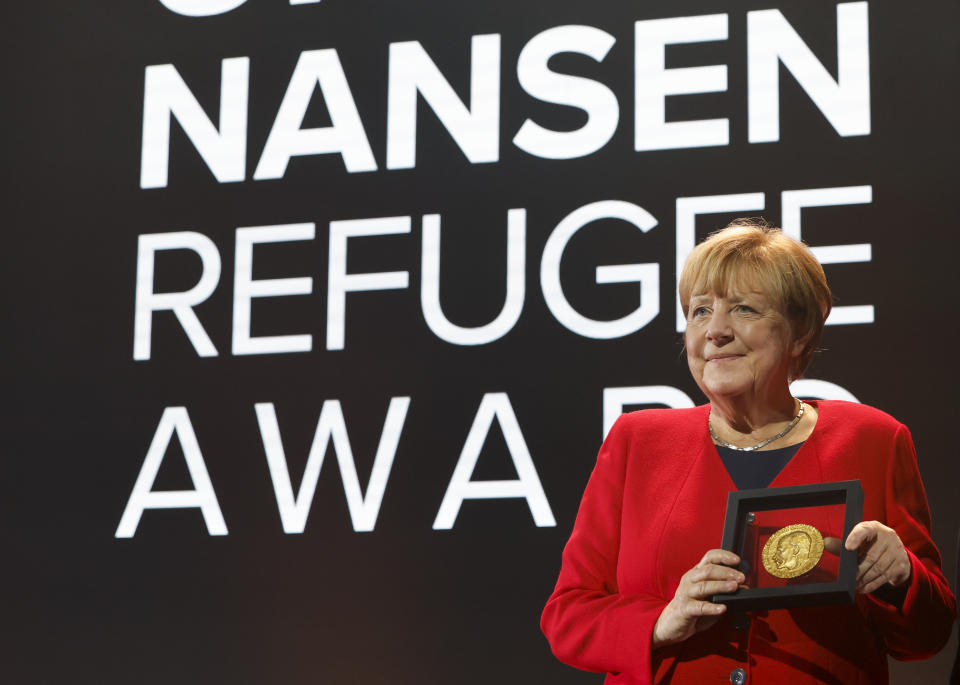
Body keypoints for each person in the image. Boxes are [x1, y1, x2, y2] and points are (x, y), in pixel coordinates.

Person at [541, 220, 956, 684]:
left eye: (743, 309)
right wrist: (661, 621)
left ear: (799, 332)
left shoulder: (874, 438)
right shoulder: (636, 442)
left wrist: (903, 577)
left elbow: (928, 637)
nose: (715, 331)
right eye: (699, 312)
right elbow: (569, 615)